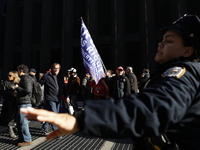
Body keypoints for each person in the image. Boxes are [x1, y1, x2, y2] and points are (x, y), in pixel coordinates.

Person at [21, 14, 200, 150]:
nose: (160, 44)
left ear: (187, 51)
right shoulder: (171, 72)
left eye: (169, 41)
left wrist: (83, 120)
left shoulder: (183, 73)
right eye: (162, 40)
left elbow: (153, 108)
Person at [39, 63, 67, 136]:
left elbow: (63, 87)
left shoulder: (60, 77)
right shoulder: (46, 76)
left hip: (58, 98)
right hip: (50, 98)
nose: (56, 70)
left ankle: (45, 126)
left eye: (58, 68)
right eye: (55, 68)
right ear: (52, 68)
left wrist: (66, 96)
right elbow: (39, 85)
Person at [13, 64, 33, 146]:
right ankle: (21, 138)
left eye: (18, 71)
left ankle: (27, 139)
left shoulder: (26, 79)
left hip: (25, 103)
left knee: (23, 122)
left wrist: (17, 87)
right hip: (22, 103)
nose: (17, 72)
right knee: (19, 122)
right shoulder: (25, 78)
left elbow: (28, 90)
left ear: (21, 71)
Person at [0, 71, 20, 138]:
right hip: (9, 102)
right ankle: (10, 130)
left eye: (10, 75)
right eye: (8, 75)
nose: (8, 76)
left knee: (17, 116)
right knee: (10, 116)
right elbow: (2, 92)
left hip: (17, 101)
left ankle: (15, 128)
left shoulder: (18, 82)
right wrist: (11, 91)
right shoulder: (5, 82)